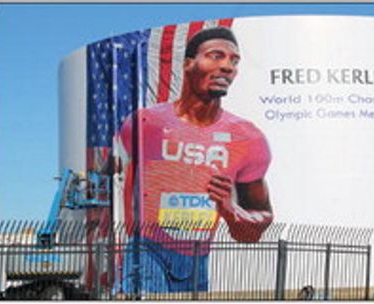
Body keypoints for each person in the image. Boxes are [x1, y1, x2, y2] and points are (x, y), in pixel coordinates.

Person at [116, 27, 274, 293]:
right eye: (216, 56)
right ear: (188, 64)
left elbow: (259, 222)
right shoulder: (145, 123)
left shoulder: (248, 138)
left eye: (234, 61)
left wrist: (232, 212)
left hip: (198, 258)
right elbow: (114, 177)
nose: (227, 66)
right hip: (147, 251)